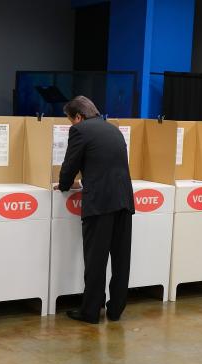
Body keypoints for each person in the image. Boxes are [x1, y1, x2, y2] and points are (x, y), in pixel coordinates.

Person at [56, 96, 135, 324]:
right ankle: (116, 309)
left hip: (100, 203)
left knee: (96, 259)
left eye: (71, 120)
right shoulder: (114, 130)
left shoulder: (80, 131)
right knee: (121, 258)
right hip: (124, 200)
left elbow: (70, 164)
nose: (72, 125)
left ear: (78, 117)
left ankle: (90, 311)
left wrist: (64, 185)